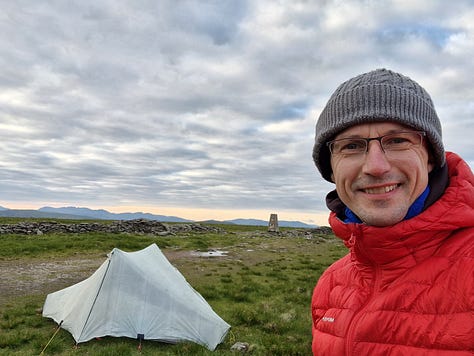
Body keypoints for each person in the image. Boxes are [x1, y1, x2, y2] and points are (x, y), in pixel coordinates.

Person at [310, 68, 474, 355]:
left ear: (431, 158)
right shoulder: (330, 286)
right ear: (332, 169)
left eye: (398, 140)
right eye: (351, 146)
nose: (376, 166)